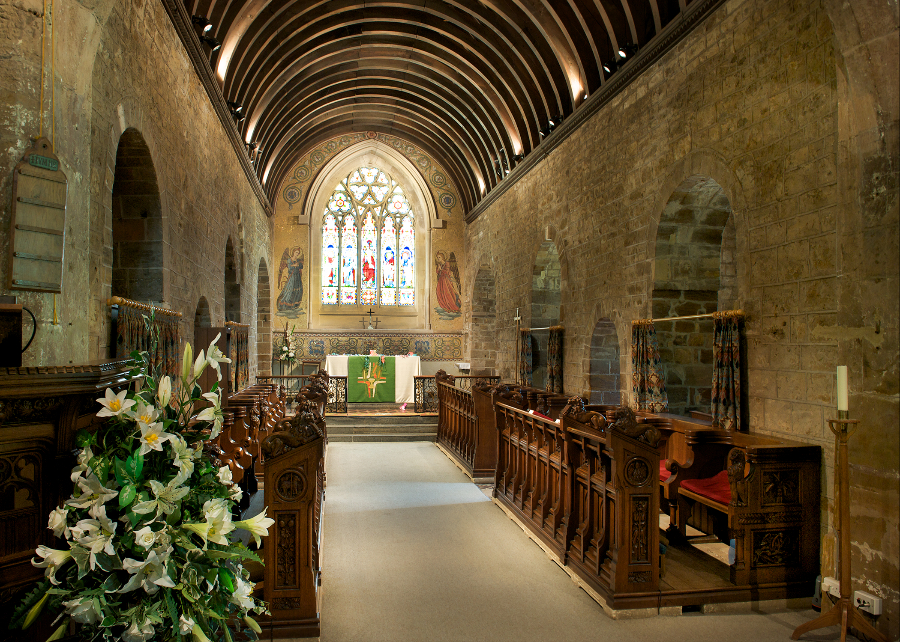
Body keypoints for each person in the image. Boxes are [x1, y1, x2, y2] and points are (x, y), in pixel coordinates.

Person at [276, 247, 304, 312]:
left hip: (297, 277)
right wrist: (294, 265)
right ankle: (284, 304)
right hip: (292, 277)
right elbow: (289, 267)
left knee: (298, 291)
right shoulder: (289, 260)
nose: (297, 254)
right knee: (289, 291)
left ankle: (294, 305)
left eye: (298, 253)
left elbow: (301, 266)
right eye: (296, 252)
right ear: (293, 252)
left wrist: (298, 264)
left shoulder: (298, 261)